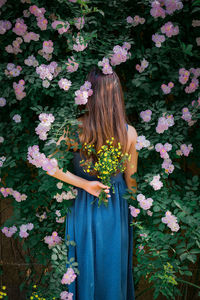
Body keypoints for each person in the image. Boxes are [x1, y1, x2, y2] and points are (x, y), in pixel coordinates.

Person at [47, 65, 138, 300]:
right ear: (116, 95)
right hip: (115, 208)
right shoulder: (129, 133)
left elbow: (48, 164)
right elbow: (132, 180)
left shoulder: (74, 129)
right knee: (113, 269)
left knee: (84, 267)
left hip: (83, 205)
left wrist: (84, 184)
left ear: (90, 94)